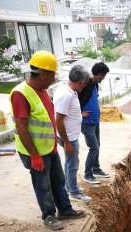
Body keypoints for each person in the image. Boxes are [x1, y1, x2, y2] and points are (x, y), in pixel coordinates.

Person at [10, 51, 86, 231]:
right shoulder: (21, 94)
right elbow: (22, 127)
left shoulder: (42, 91)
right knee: (43, 185)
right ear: (43, 74)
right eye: (52, 74)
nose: (54, 78)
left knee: (58, 181)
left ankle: (65, 210)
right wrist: (34, 155)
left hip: (49, 148)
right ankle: (49, 215)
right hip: (35, 151)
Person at [53, 65, 92, 202]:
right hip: (68, 137)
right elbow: (59, 121)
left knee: (69, 163)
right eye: (85, 83)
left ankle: (69, 186)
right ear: (80, 82)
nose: (85, 86)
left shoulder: (67, 89)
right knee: (73, 164)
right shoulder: (66, 95)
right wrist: (67, 142)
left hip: (70, 135)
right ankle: (74, 193)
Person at [77, 62, 111, 185]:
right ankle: (87, 174)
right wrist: (80, 113)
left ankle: (96, 168)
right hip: (87, 123)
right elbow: (74, 99)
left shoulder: (95, 84)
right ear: (99, 74)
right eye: (104, 75)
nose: (104, 77)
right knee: (94, 148)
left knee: (97, 146)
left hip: (95, 122)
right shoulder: (86, 84)